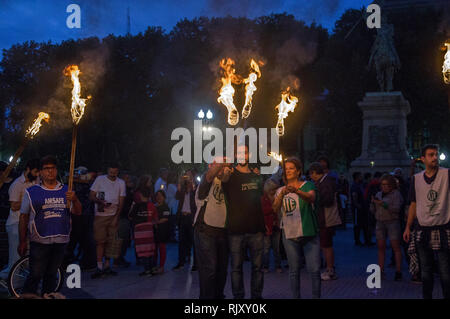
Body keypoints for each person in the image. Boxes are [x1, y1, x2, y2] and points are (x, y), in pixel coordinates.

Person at [18, 155, 82, 295]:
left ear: (56, 170)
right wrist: (22, 241)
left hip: (61, 240)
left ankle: (48, 296)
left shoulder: (67, 190)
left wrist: (75, 200)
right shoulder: (32, 192)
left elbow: (78, 212)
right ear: (40, 172)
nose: (50, 171)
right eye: (46, 169)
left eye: (52, 168)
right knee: (35, 275)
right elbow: (23, 217)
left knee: (51, 276)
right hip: (40, 240)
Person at [403, 144, 450, 299]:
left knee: (445, 272)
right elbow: (413, 204)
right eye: (431, 155)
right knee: (426, 272)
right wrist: (408, 227)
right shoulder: (416, 179)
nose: (435, 157)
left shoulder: (446, 174)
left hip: (443, 227)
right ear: (423, 159)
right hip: (423, 229)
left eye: (436, 154)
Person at [220, 144, 265, 299]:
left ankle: (256, 298)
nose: (242, 155)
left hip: (256, 230)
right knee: (236, 268)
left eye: (244, 152)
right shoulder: (230, 174)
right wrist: (225, 170)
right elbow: (223, 180)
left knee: (258, 268)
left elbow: (260, 196)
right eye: (239, 153)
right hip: (236, 230)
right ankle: (238, 300)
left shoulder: (256, 174)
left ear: (249, 154)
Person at [272, 157, 320, 298]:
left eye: (291, 168)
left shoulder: (308, 185)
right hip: (290, 234)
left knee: (314, 270)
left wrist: (297, 191)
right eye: (286, 169)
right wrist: (281, 194)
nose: (288, 171)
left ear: (298, 171)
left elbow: (311, 198)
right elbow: (275, 208)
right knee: (294, 270)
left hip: (309, 233)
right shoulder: (280, 190)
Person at [193, 158, 230, 299]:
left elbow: (227, 177)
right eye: (217, 165)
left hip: (222, 230)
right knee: (209, 269)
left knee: (221, 270)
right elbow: (210, 175)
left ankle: (218, 296)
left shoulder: (226, 182)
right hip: (205, 229)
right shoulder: (206, 178)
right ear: (210, 166)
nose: (221, 168)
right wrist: (222, 164)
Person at [0, 159, 40, 279]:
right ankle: (10, 282)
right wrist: (29, 200)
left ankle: (21, 282)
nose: (37, 174)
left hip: (28, 224)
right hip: (15, 224)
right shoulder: (17, 184)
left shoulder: (35, 182)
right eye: (35, 171)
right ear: (28, 169)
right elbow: (13, 206)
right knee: (15, 258)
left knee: (26, 257)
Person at [89, 163, 126, 278]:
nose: (113, 174)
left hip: (113, 214)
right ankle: (99, 266)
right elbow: (91, 195)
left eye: (115, 172)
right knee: (100, 241)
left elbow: (121, 201)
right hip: (100, 214)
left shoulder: (121, 183)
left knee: (111, 241)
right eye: (111, 172)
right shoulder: (100, 179)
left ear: (117, 171)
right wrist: (100, 202)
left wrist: (116, 217)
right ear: (108, 170)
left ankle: (107, 265)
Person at [309, 162, 341, 281]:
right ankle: (329, 269)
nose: (311, 177)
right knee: (326, 244)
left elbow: (327, 200)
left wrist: (314, 199)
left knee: (326, 245)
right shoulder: (326, 181)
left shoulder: (325, 183)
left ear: (314, 173)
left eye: (311, 174)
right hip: (325, 218)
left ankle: (330, 270)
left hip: (327, 218)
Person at [370, 174, 404, 281]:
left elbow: (396, 209)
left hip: (392, 222)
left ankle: (398, 271)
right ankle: (380, 271)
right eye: (382, 184)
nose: (384, 187)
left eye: (386, 185)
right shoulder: (379, 194)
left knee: (395, 247)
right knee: (381, 247)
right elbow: (373, 210)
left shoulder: (396, 194)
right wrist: (373, 203)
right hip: (380, 222)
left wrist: (383, 204)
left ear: (391, 185)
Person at [128, 186, 158, 276]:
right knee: (150, 249)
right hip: (149, 230)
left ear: (140, 195)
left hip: (139, 231)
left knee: (143, 250)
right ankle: (153, 268)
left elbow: (130, 216)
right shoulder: (152, 205)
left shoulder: (137, 205)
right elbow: (155, 218)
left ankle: (147, 270)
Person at [173, 172, 197, 271]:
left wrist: (192, 184)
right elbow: (176, 197)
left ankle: (196, 263)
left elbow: (197, 197)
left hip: (191, 217)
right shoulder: (182, 189)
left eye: (189, 176)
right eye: (186, 176)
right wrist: (180, 182)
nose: (187, 178)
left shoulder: (195, 189)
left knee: (194, 242)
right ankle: (181, 262)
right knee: (182, 241)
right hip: (183, 217)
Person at [113, 173, 136, 268]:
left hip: (126, 216)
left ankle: (120, 257)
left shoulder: (127, 189)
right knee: (122, 238)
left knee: (125, 238)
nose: (128, 180)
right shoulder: (122, 189)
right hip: (122, 216)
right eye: (126, 178)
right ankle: (117, 258)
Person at [261, 179, 282, 273]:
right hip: (267, 225)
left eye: (275, 189)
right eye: (272, 189)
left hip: (276, 225)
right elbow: (264, 211)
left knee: (276, 248)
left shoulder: (277, 197)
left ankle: (278, 265)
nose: (274, 191)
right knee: (266, 248)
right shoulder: (263, 198)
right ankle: (265, 266)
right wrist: (273, 208)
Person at [351, 172, 372, 246]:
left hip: (363, 207)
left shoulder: (361, 185)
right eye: (360, 176)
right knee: (358, 224)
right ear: (357, 177)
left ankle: (367, 240)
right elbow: (354, 196)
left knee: (365, 224)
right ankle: (357, 240)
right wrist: (357, 205)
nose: (362, 177)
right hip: (358, 208)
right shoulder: (355, 186)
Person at [153, 190, 170, 274]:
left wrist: (156, 222)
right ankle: (155, 265)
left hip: (162, 230)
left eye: (160, 196)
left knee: (162, 248)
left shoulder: (166, 207)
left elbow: (165, 218)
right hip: (154, 230)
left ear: (164, 197)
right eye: (157, 195)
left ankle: (161, 266)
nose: (159, 197)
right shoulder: (153, 206)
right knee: (154, 249)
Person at [165, 171, 179, 242]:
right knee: (172, 222)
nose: (175, 178)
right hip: (172, 206)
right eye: (174, 176)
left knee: (173, 222)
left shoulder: (173, 185)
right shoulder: (170, 186)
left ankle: (172, 236)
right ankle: (171, 237)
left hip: (175, 206)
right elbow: (177, 195)